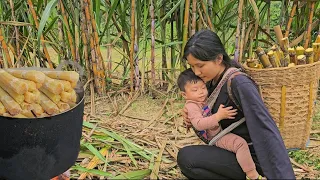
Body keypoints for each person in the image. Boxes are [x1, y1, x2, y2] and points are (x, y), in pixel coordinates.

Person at [177, 29, 295, 179]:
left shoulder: (239, 83)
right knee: (187, 160)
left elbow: (265, 128)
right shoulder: (209, 81)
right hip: (230, 149)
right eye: (192, 67)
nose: (196, 72)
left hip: (250, 157)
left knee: (188, 159)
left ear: (219, 58)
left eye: (200, 66)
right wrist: (190, 114)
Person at [177, 68, 264, 179]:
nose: (201, 92)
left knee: (239, 144)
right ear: (184, 95)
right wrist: (218, 116)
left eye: (203, 87)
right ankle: (252, 174)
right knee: (240, 144)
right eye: (195, 90)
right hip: (217, 137)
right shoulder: (192, 106)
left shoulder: (201, 100)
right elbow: (198, 124)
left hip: (218, 134)